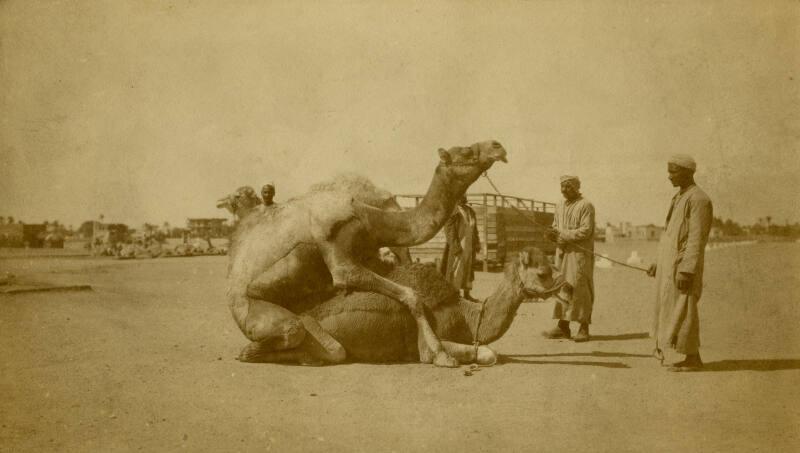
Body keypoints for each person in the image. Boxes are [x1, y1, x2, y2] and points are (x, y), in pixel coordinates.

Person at [647, 154, 712, 372]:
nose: (669, 176)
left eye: (673, 171)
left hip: (684, 267)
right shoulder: (678, 198)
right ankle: (690, 356)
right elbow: (669, 234)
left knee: (686, 309)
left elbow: (696, 238)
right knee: (675, 309)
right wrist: (658, 262)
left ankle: (693, 359)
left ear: (687, 172)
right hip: (670, 265)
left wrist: (687, 270)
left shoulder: (699, 199)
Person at [543, 175, 595, 342]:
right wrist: (552, 234)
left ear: (576, 187)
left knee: (580, 287)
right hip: (562, 252)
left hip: (579, 253)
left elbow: (586, 230)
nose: (564, 190)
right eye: (562, 186)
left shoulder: (586, 205)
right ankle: (563, 326)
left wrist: (562, 235)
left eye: (568, 187)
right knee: (562, 287)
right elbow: (556, 226)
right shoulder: (559, 205)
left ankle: (583, 326)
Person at [439, 196, 481, 301]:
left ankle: (467, 294)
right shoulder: (452, 212)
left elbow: (475, 230)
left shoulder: (470, 211)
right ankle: (455, 295)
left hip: (469, 244)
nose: (463, 197)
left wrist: (477, 243)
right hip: (459, 245)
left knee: (468, 269)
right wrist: (455, 247)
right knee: (456, 269)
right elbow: (450, 232)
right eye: (460, 195)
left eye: (464, 195)